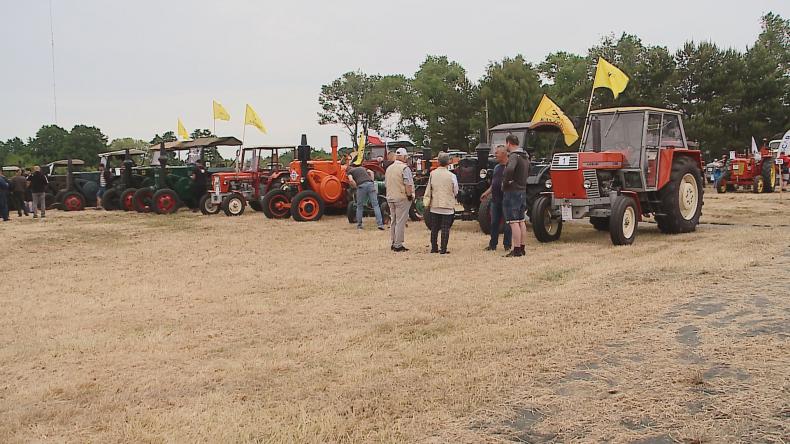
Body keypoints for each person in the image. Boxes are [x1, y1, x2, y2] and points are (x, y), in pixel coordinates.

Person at [423, 152, 458, 254]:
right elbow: (455, 190)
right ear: (448, 162)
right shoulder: (452, 176)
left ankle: (434, 247)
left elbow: (429, 188)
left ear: (438, 162)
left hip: (435, 204)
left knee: (434, 228)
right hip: (447, 205)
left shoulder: (432, 174)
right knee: (445, 227)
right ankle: (443, 249)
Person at [502, 134, 530, 257]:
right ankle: (522, 248)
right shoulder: (525, 156)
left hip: (513, 191)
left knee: (513, 222)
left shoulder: (514, 156)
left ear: (509, 143)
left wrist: (506, 182)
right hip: (522, 190)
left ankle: (517, 249)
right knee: (521, 220)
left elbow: (509, 170)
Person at [481, 145, 512, 251]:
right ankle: (492, 244)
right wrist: (486, 192)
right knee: (494, 222)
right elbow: (494, 183)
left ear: (504, 154)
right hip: (495, 200)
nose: (495, 155)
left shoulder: (510, 167)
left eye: (497, 153)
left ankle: (507, 244)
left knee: (508, 223)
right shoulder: (497, 167)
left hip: (506, 199)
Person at [385, 148, 414, 252]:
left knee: (393, 220)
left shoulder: (389, 168)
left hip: (390, 197)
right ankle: (398, 244)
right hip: (401, 197)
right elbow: (408, 183)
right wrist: (410, 195)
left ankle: (393, 241)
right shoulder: (405, 168)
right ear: (404, 157)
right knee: (400, 221)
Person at [347, 163, 385, 230]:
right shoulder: (362, 168)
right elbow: (371, 172)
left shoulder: (350, 171)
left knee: (359, 207)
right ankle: (380, 225)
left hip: (361, 186)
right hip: (370, 184)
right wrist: (372, 181)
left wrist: (356, 186)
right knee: (376, 205)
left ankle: (359, 225)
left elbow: (350, 180)